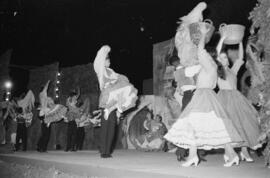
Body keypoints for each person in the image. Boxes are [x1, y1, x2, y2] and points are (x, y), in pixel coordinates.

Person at [164, 24, 243, 167]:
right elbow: (214, 54)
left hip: (203, 96)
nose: (201, 55)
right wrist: (222, 38)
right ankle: (227, 154)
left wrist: (202, 35)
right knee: (213, 127)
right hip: (208, 96)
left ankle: (197, 156)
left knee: (195, 125)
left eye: (205, 54)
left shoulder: (208, 64)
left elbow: (201, 50)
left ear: (208, 56)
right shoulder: (213, 66)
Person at [216, 35, 261, 162]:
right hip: (224, 99)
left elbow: (240, 57)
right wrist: (223, 38)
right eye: (222, 57)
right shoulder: (218, 71)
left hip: (237, 98)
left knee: (244, 123)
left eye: (225, 57)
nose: (224, 59)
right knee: (229, 125)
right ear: (218, 60)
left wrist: (240, 42)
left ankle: (245, 151)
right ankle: (229, 152)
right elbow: (217, 52)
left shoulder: (233, 70)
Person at [93, 45, 138, 119]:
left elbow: (121, 78)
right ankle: (114, 108)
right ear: (103, 61)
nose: (110, 61)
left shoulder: (111, 71)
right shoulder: (101, 71)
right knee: (127, 88)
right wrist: (105, 51)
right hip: (108, 93)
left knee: (132, 93)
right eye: (108, 59)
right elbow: (97, 63)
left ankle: (115, 109)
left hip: (116, 92)